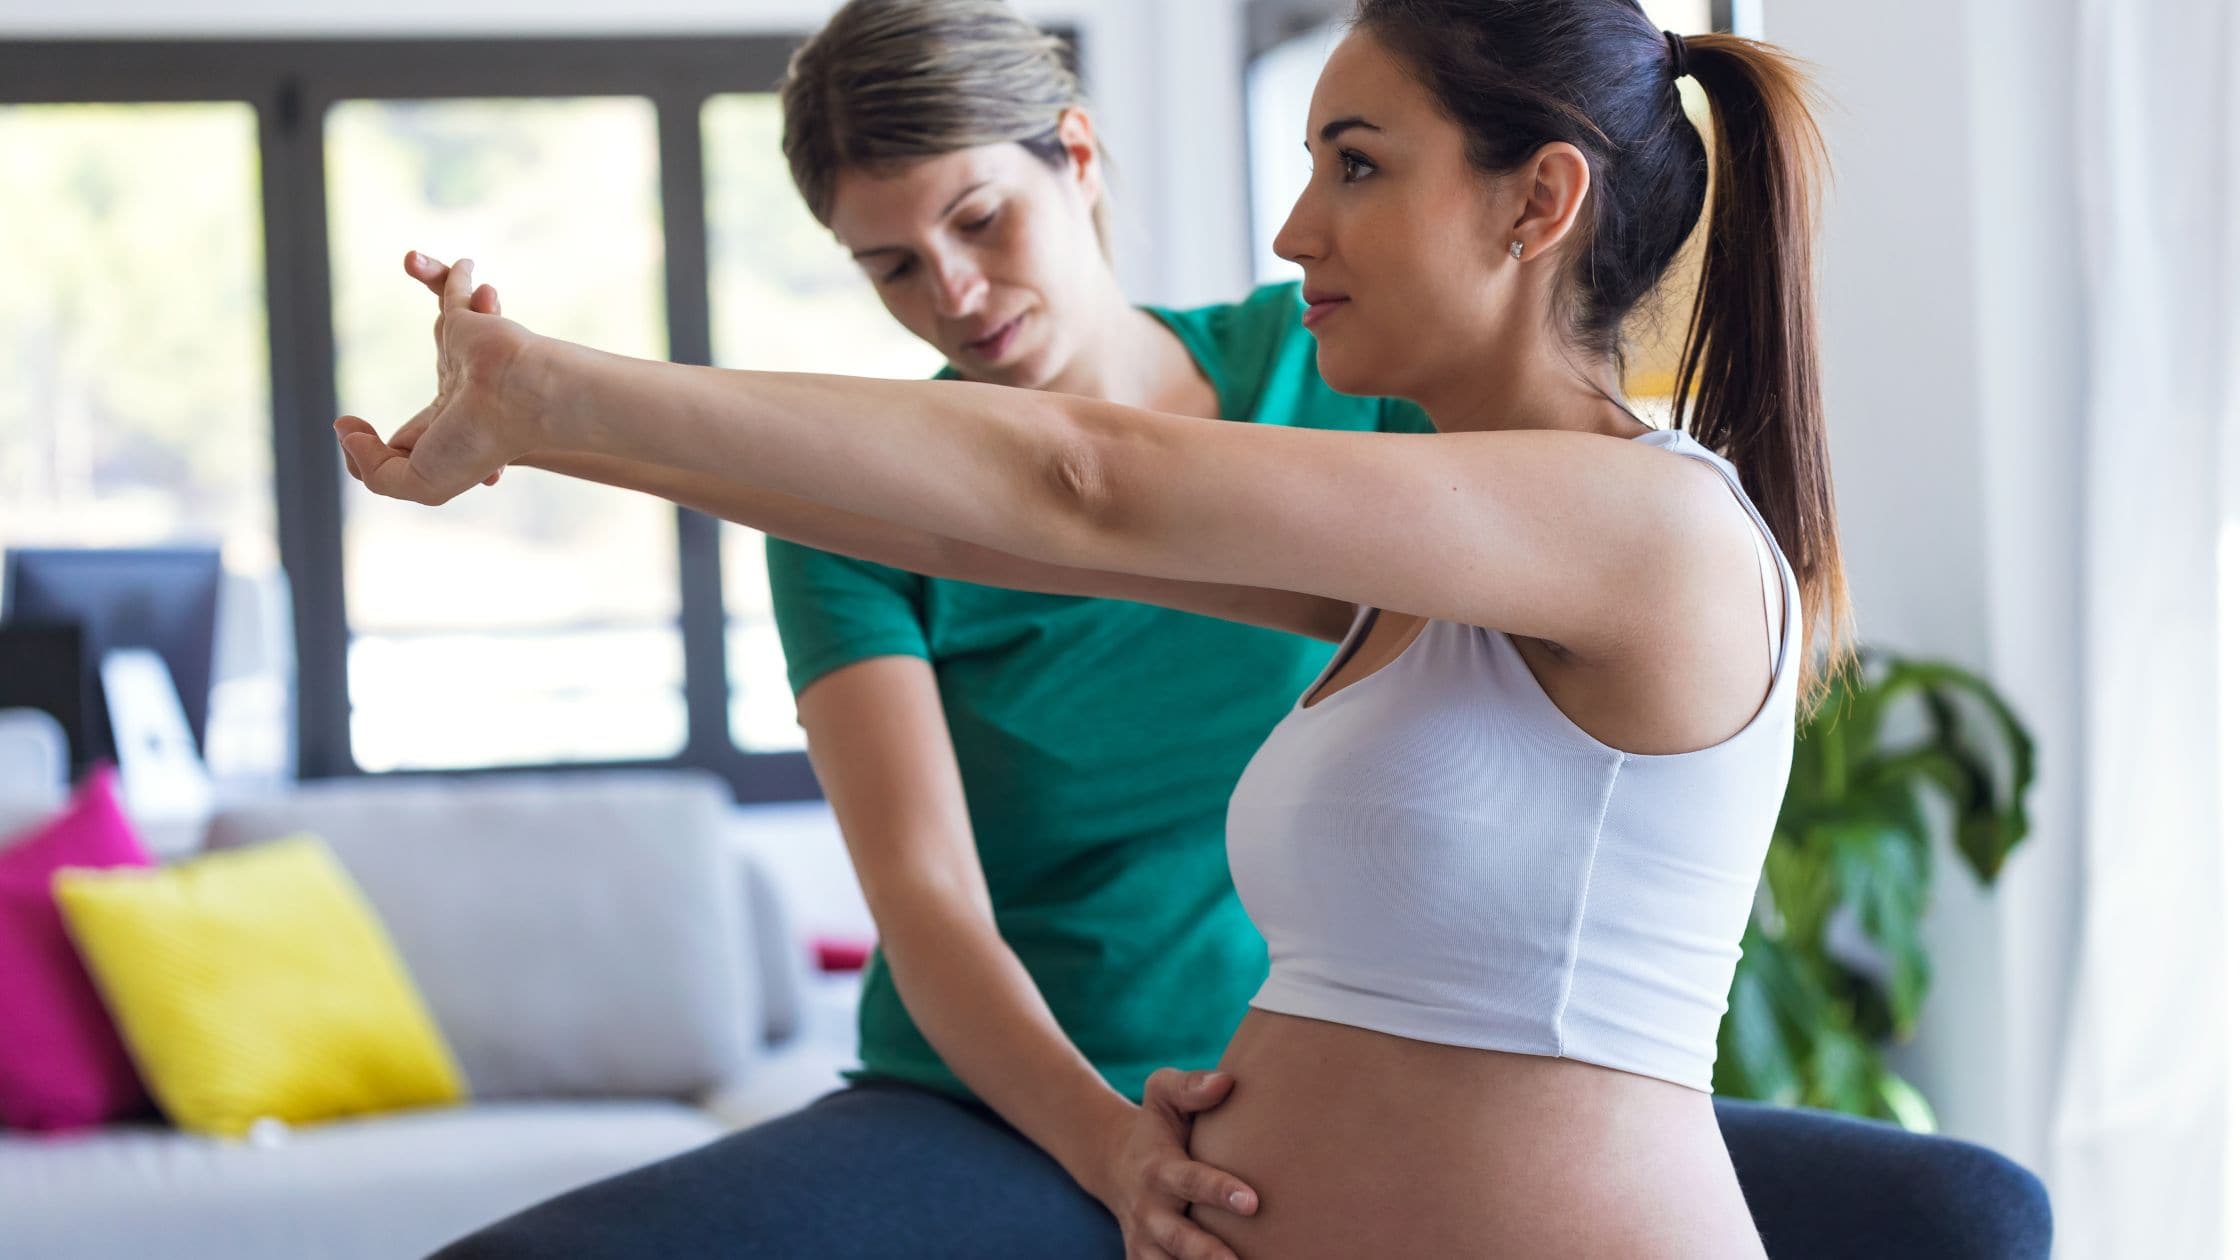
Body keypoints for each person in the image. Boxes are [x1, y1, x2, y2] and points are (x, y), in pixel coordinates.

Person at [350, 2, 2039, 1258]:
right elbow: (965, 518)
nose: (1298, 228)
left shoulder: (1641, 525)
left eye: (1355, 167)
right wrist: (544, 431)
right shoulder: (1434, 566)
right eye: (1308, 166)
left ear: (1538, 206)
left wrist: (550, 382)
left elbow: (1085, 483)